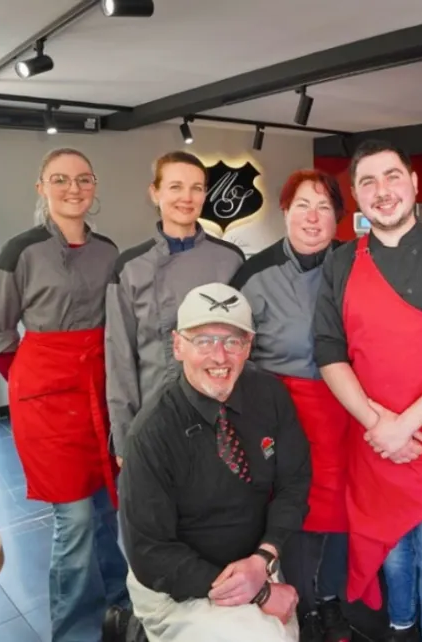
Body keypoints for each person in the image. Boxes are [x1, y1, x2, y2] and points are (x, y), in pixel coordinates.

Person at [314, 140, 422, 642]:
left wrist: (406, 424)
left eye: (392, 176)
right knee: (393, 544)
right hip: (372, 435)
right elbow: (329, 350)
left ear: (414, 182)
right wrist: (377, 422)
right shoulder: (339, 264)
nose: (382, 192)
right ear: (356, 196)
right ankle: (401, 630)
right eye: (368, 182)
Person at [117, 282, 312, 642]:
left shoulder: (268, 395)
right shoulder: (153, 431)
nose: (220, 357)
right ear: (178, 346)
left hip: (252, 562)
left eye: (233, 341)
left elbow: (294, 482)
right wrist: (261, 593)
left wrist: (264, 558)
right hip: (177, 584)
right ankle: (139, 627)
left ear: (248, 347)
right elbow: (149, 552)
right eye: (203, 341)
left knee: (283, 630)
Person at [0, 148, 129, 642]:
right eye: (60, 179)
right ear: (41, 187)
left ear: (93, 188)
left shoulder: (110, 251)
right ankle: (74, 629)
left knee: (106, 508)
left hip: (100, 390)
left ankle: (119, 602)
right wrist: (30, 382)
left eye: (83, 179)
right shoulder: (19, 252)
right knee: (72, 518)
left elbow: (118, 325)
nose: (73, 188)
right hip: (46, 401)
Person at [231, 169, 351, 642]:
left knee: (342, 509)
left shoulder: (353, 263)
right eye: (302, 204)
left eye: (324, 206)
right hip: (282, 410)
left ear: (338, 218)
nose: (313, 217)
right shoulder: (253, 273)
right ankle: (300, 599)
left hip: (345, 405)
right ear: (285, 210)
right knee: (296, 510)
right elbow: (236, 350)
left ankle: (333, 598)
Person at [106, 151, 245, 463]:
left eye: (197, 188)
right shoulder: (129, 267)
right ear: (155, 193)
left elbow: (246, 344)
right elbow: (120, 359)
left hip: (222, 414)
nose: (187, 197)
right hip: (155, 414)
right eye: (175, 187)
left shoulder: (230, 259)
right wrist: (125, 437)